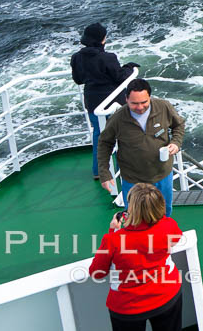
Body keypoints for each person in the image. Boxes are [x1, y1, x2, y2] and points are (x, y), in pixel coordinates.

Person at [89, 183, 184, 331]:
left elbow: (97, 272)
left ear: (132, 210)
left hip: (128, 308)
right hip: (167, 295)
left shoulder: (114, 240)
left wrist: (113, 230)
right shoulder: (169, 226)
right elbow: (175, 236)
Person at [98, 78, 185, 216]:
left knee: (165, 212)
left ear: (149, 97)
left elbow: (178, 125)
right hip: (133, 180)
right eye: (134, 103)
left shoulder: (164, 107)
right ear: (126, 99)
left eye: (144, 102)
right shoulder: (118, 119)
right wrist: (104, 172)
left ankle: (163, 236)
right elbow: (104, 143)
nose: (140, 107)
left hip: (162, 174)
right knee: (134, 216)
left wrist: (176, 142)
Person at [71, 22, 139, 180]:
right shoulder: (107, 57)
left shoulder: (77, 58)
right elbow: (120, 76)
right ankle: (130, 169)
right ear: (102, 39)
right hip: (113, 102)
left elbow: (78, 80)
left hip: (93, 103)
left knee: (99, 136)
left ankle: (99, 171)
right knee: (124, 132)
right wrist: (130, 67)